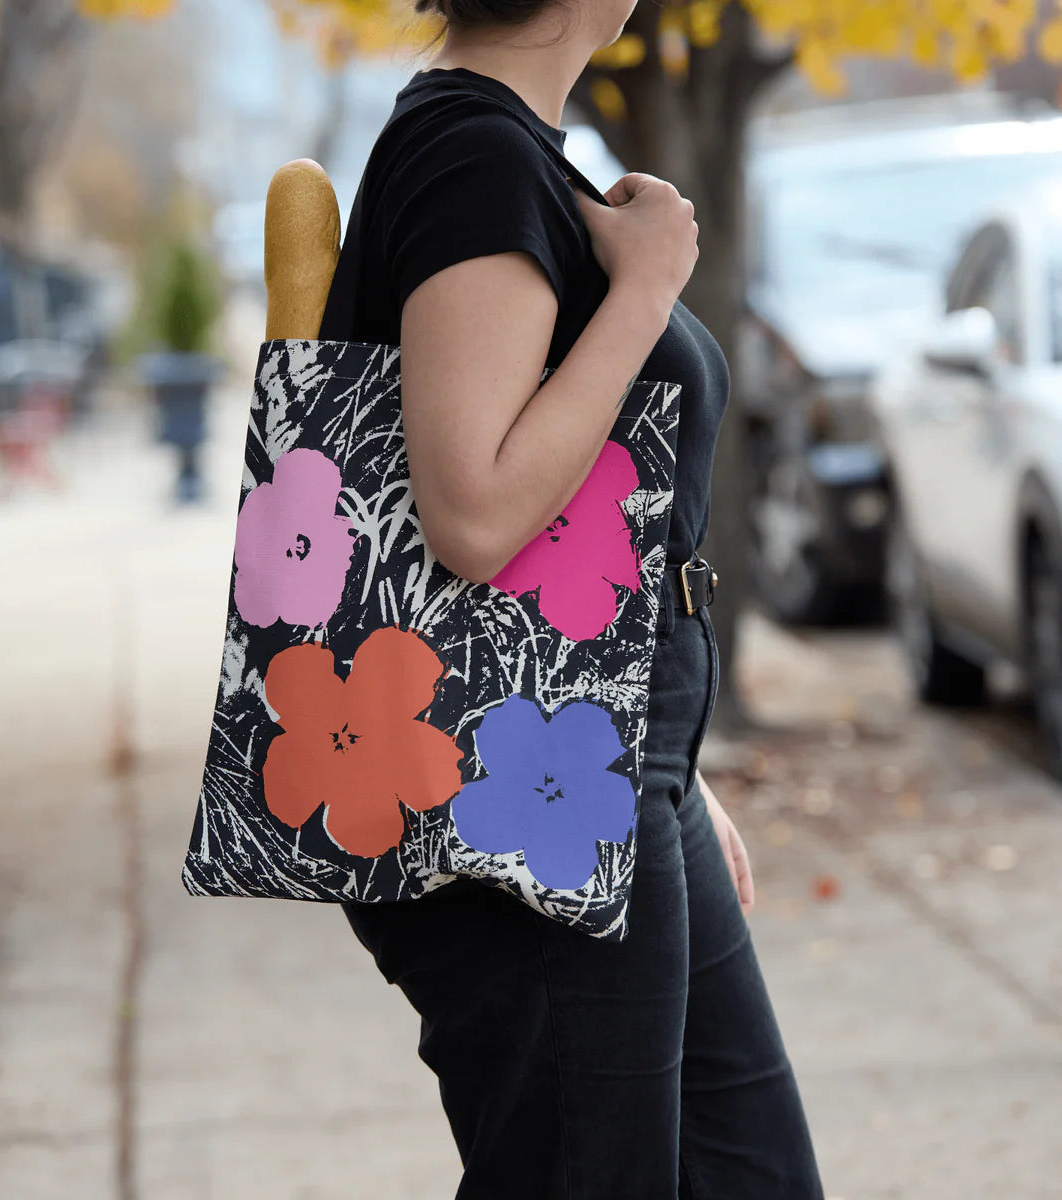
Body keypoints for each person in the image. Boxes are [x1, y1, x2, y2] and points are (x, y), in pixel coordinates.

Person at [316, 0, 826, 1194]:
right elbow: (479, 511)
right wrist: (647, 290)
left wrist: (677, 755)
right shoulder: (472, 161)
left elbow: (575, 516)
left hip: (604, 762)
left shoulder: (513, 152)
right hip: (524, 806)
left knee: (746, 1176)